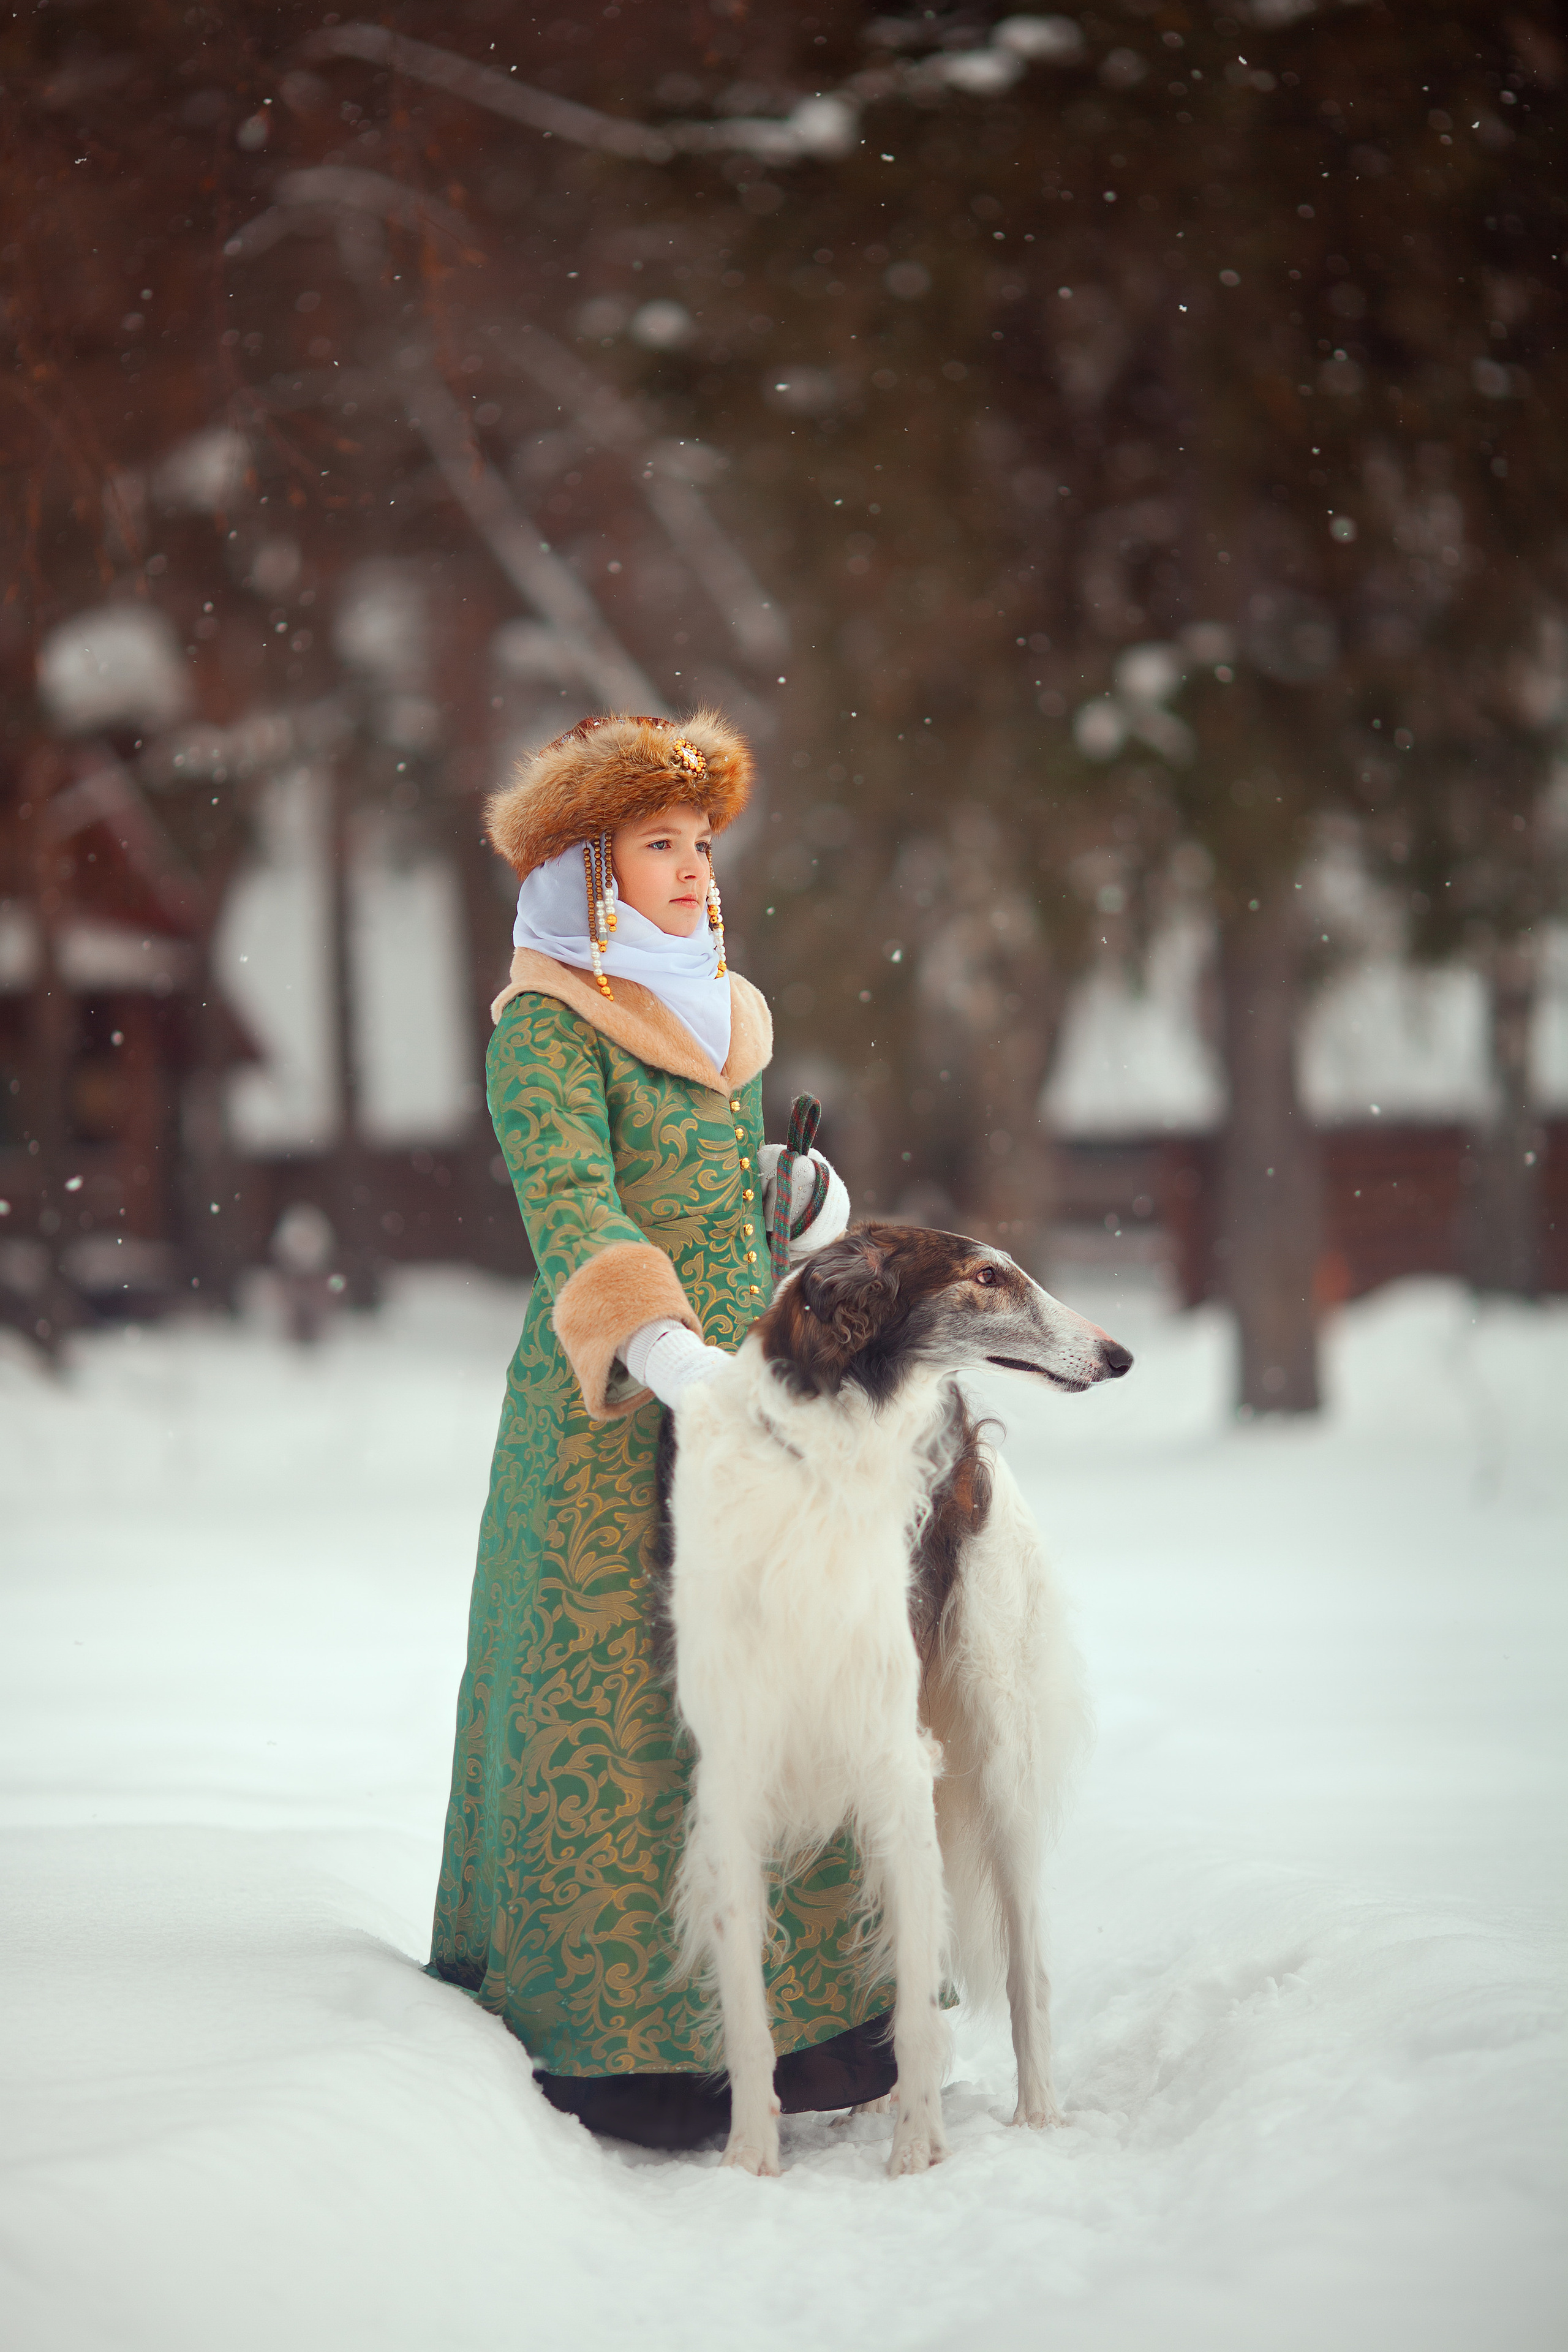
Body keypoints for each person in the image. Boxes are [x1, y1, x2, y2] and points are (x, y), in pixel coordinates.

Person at [428, 710, 895, 2149]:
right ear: (586, 871)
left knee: (764, 1687)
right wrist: (660, 1348)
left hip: (743, 1406)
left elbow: (690, 1170)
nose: (694, 872)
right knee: (618, 1705)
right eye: (659, 846)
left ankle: (805, 2028)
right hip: (605, 1414)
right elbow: (577, 1202)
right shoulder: (543, 1029)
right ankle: (624, 2046)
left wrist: (776, 1189)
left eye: (701, 846)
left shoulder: (717, 1009)